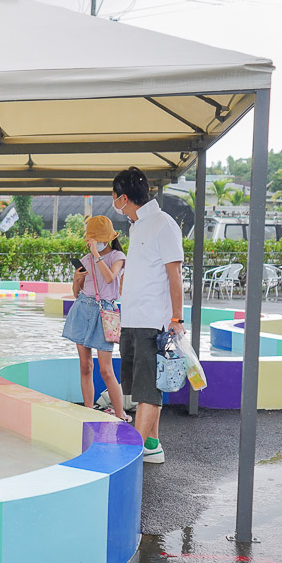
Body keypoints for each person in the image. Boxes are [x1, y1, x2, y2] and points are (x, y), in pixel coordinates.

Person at [112, 167, 185, 464]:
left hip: (151, 321)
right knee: (138, 390)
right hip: (132, 319)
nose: (114, 202)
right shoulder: (137, 225)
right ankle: (152, 444)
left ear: (125, 198)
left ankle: (130, 459)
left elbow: (175, 273)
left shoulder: (163, 224)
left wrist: (177, 319)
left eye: (115, 197)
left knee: (148, 392)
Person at [61, 216, 129, 422]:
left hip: (105, 312)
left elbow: (110, 278)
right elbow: (76, 293)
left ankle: (120, 413)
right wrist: (76, 279)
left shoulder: (117, 256)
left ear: (108, 238)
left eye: (98, 239)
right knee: (85, 365)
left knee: (106, 369)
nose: (95, 242)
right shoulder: (85, 259)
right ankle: (89, 410)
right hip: (83, 308)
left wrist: (96, 255)